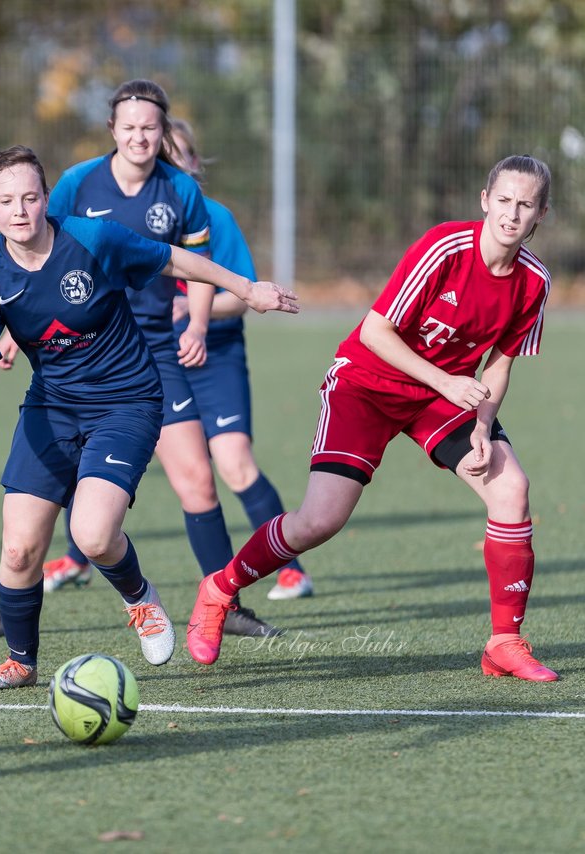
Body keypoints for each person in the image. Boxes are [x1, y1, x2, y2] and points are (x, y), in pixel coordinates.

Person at [186, 155, 557, 683]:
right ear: (484, 200)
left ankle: (505, 642)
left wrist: (480, 425)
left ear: (542, 212)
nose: (511, 214)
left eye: (525, 205)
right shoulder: (444, 248)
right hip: (368, 383)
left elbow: (499, 361)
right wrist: (449, 384)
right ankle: (218, 591)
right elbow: (374, 333)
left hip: (440, 395)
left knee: (511, 487)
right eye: (503, 200)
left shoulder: (534, 280)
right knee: (320, 521)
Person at [0, 145, 297, 689]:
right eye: (7, 201)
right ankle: (21, 663)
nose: (20, 210)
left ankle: (140, 597)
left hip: (127, 401)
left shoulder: (91, 239)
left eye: (29, 197)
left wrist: (246, 289)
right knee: (20, 549)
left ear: (46, 198)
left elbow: (174, 259)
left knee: (92, 533)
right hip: (51, 408)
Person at [167, 118, 313, 601]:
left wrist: (195, 307)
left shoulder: (214, 218)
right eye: (166, 157)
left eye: (182, 155)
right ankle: (78, 555)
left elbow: (244, 294)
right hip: (154, 362)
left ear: (195, 164)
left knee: (234, 464)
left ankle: (290, 568)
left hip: (216, 356)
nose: (175, 165)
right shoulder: (130, 223)